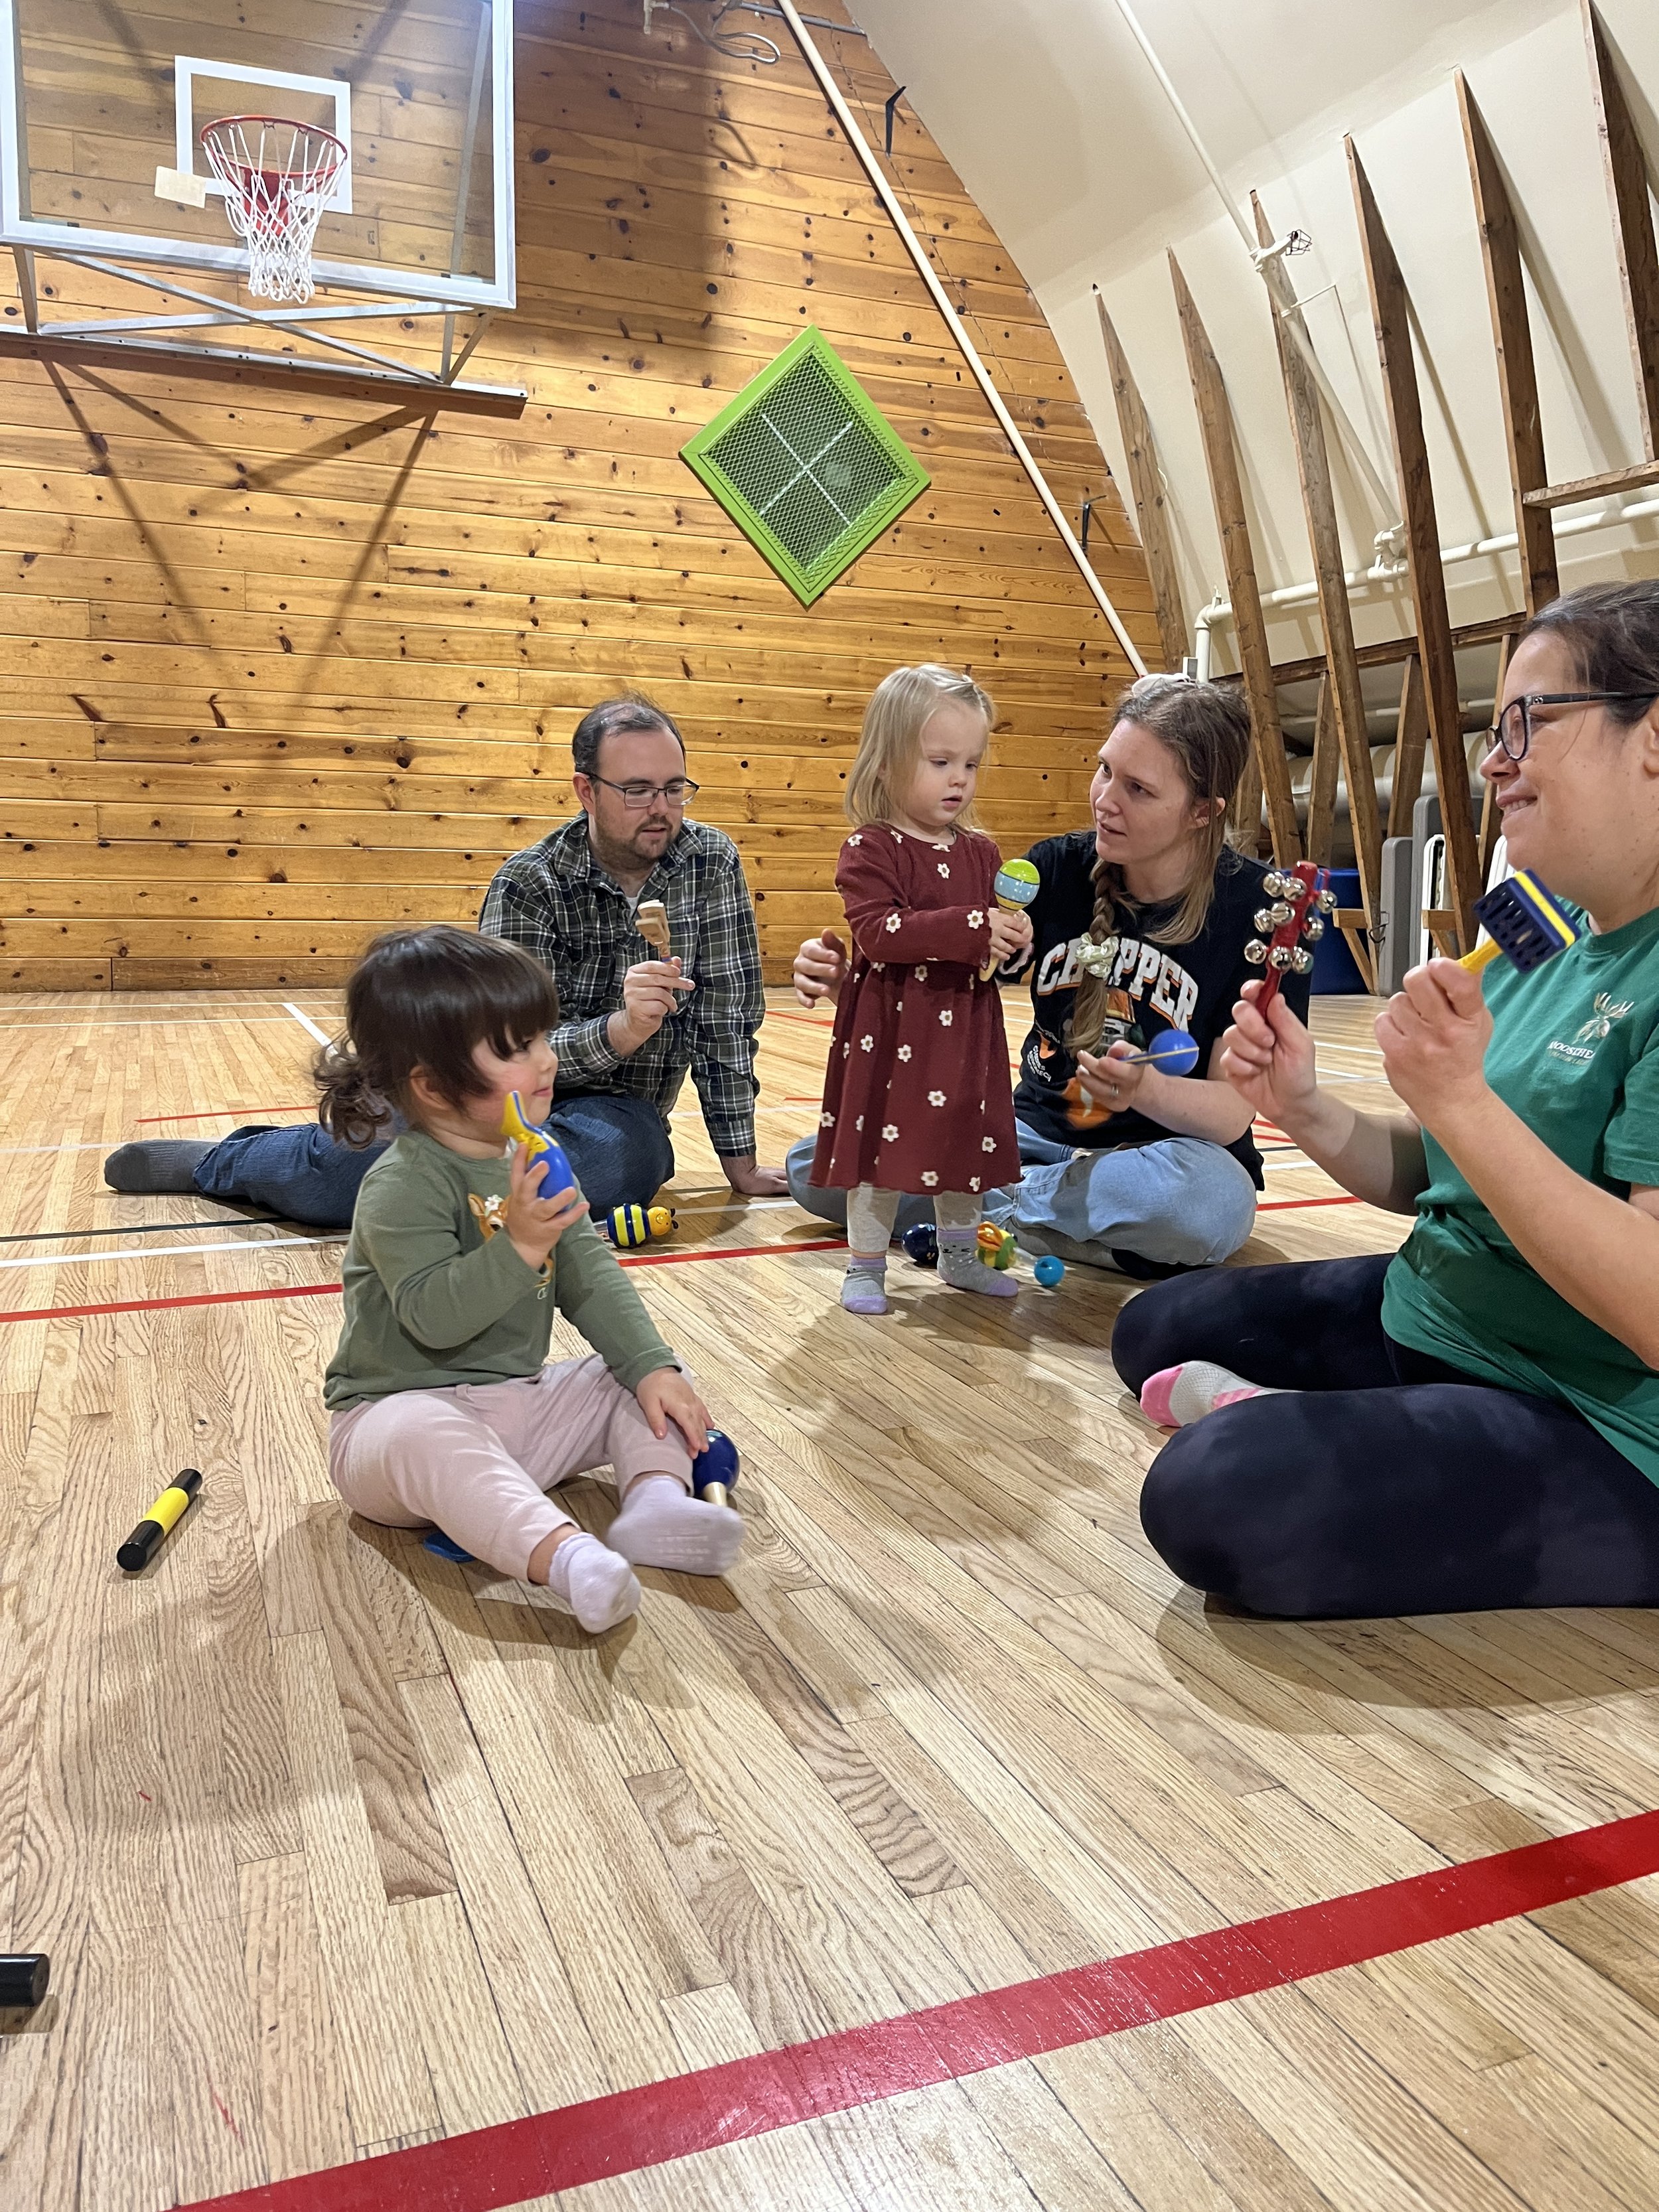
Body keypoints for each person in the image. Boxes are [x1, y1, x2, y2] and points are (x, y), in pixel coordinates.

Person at [1115, 579, 1659, 1619]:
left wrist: (1464, 1104)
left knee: (1214, 1493)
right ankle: (1381, 1419)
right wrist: (1305, 1106)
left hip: (1604, 1419)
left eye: (1528, 723)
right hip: (1449, 1315)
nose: (1495, 762)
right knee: (1153, 1330)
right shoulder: (1542, 929)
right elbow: (1440, 1176)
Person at [102, 694, 786, 1227]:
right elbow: (500, 1047)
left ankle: (452, 1194)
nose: (661, 809)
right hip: (491, 1098)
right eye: (638, 790)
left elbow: (726, 1019)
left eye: (674, 788)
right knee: (353, 1168)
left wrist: (740, 1162)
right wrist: (621, 1031)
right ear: (587, 790)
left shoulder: (710, 862)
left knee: (628, 1163)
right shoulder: (529, 883)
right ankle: (228, 1161)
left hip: (612, 1115)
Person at [788, 674, 1311, 1276]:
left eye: (1138, 789)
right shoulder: (1052, 870)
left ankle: (980, 1212)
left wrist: (1145, 1090)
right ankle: (1047, 1224)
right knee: (812, 1168)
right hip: (1024, 1136)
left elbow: (1231, 1113)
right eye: (1105, 770)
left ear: (1201, 812)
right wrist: (852, 984)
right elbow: (943, 982)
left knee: (1209, 1204)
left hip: (1159, 1156)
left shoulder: (1264, 914)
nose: (1105, 799)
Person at [321, 924, 743, 1634]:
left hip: (516, 1408)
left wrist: (650, 1366)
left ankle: (655, 1504)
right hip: (392, 1430)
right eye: (516, 1047)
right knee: (421, 1429)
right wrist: (518, 1244)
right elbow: (433, 1318)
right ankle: (567, 1558)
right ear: (432, 1085)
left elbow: (590, 1275)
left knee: (644, 1379)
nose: (547, 1059)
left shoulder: (540, 1153)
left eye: (542, 1037)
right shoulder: (403, 1183)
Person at [808, 666, 1032, 1314]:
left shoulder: (982, 853)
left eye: (970, 763)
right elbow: (879, 934)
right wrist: (975, 926)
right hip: (892, 1034)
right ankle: (864, 1266)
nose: (959, 778)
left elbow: (993, 949)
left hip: (966, 1032)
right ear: (886, 763)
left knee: (965, 1144)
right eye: (940, 762)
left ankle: (961, 1257)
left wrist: (1014, 936)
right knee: (879, 1150)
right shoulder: (870, 848)